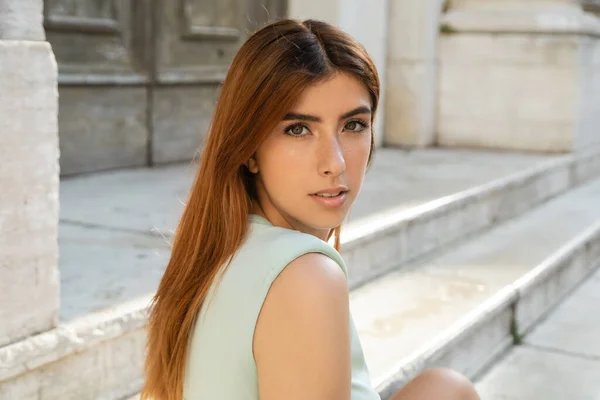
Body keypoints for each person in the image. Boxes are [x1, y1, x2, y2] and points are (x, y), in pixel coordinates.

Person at [141, 18, 481, 400]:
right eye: (298, 129)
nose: (334, 162)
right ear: (249, 149)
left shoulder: (221, 249)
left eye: (353, 125)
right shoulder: (304, 276)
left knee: (444, 389)